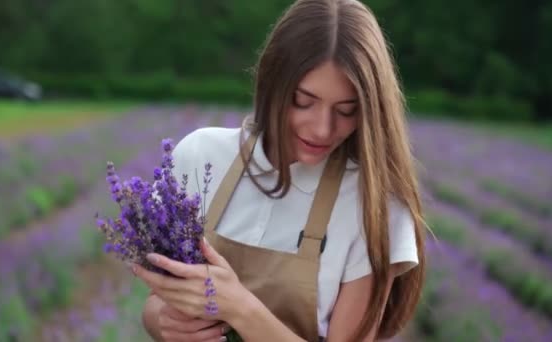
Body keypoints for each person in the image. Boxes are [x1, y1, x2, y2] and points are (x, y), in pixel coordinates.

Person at [133, 0, 426, 341]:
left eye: (346, 110)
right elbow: (156, 304)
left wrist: (240, 308)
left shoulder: (375, 205)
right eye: (303, 101)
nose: (322, 129)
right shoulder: (199, 156)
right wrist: (164, 322)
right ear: (273, 81)